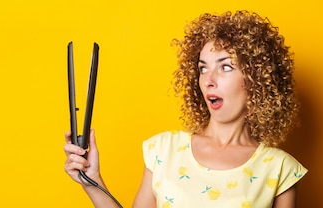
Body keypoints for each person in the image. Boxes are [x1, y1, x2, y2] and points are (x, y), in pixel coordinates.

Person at [63, 11, 307, 208]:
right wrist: (91, 180)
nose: (209, 80)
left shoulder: (279, 169)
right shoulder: (164, 151)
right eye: (203, 68)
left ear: (256, 79)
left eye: (225, 67)